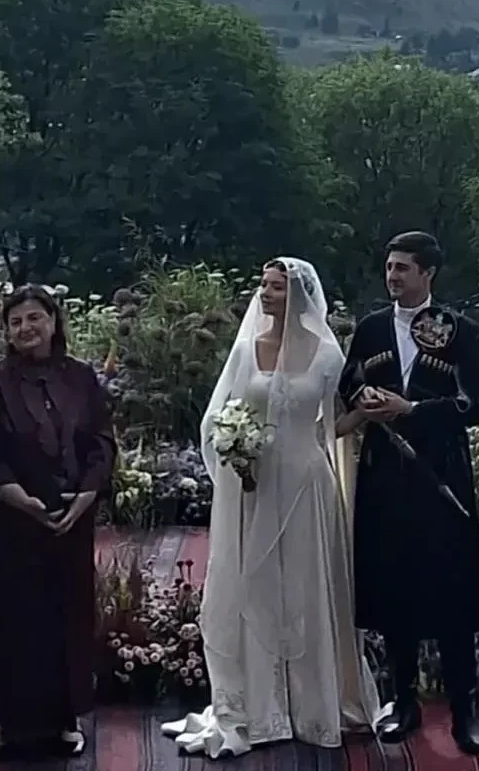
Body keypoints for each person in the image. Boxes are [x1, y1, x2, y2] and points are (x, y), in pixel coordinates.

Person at [162, 258, 380, 758]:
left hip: (306, 482)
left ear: (298, 295)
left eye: (276, 287)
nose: (265, 293)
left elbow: (331, 425)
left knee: (303, 586)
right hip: (254, 484)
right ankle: (261, 704)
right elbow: (224, 414)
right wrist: (235, 449)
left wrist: (364, 416)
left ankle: (311, 703)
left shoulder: (327, 354)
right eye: (263, 285)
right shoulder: (248, 348)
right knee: (256, 587)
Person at [338, 231, 479, 756]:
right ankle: (403, 703)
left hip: (440, 476)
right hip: (384, 475)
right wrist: (365, 395)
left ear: (428, 273)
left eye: (403, 268)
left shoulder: (461, 332)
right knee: (393, 590)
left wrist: (413, 410)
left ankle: (464, 711)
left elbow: (475, 406)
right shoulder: (371, 328)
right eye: (389, 267)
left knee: (452, 595)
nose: (393, 276)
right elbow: (348, 381)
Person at [0, 285, 117, 761]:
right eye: (15, 322)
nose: (25, 328)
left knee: (64, 623)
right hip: (12, 523)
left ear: (53, 321)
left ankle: (65, 721)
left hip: (71, 521)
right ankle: (7, 726)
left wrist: (85, 497)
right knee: (12, 625)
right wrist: (24, 502)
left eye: (34, 318)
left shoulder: (82, 378)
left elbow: (102, 443)